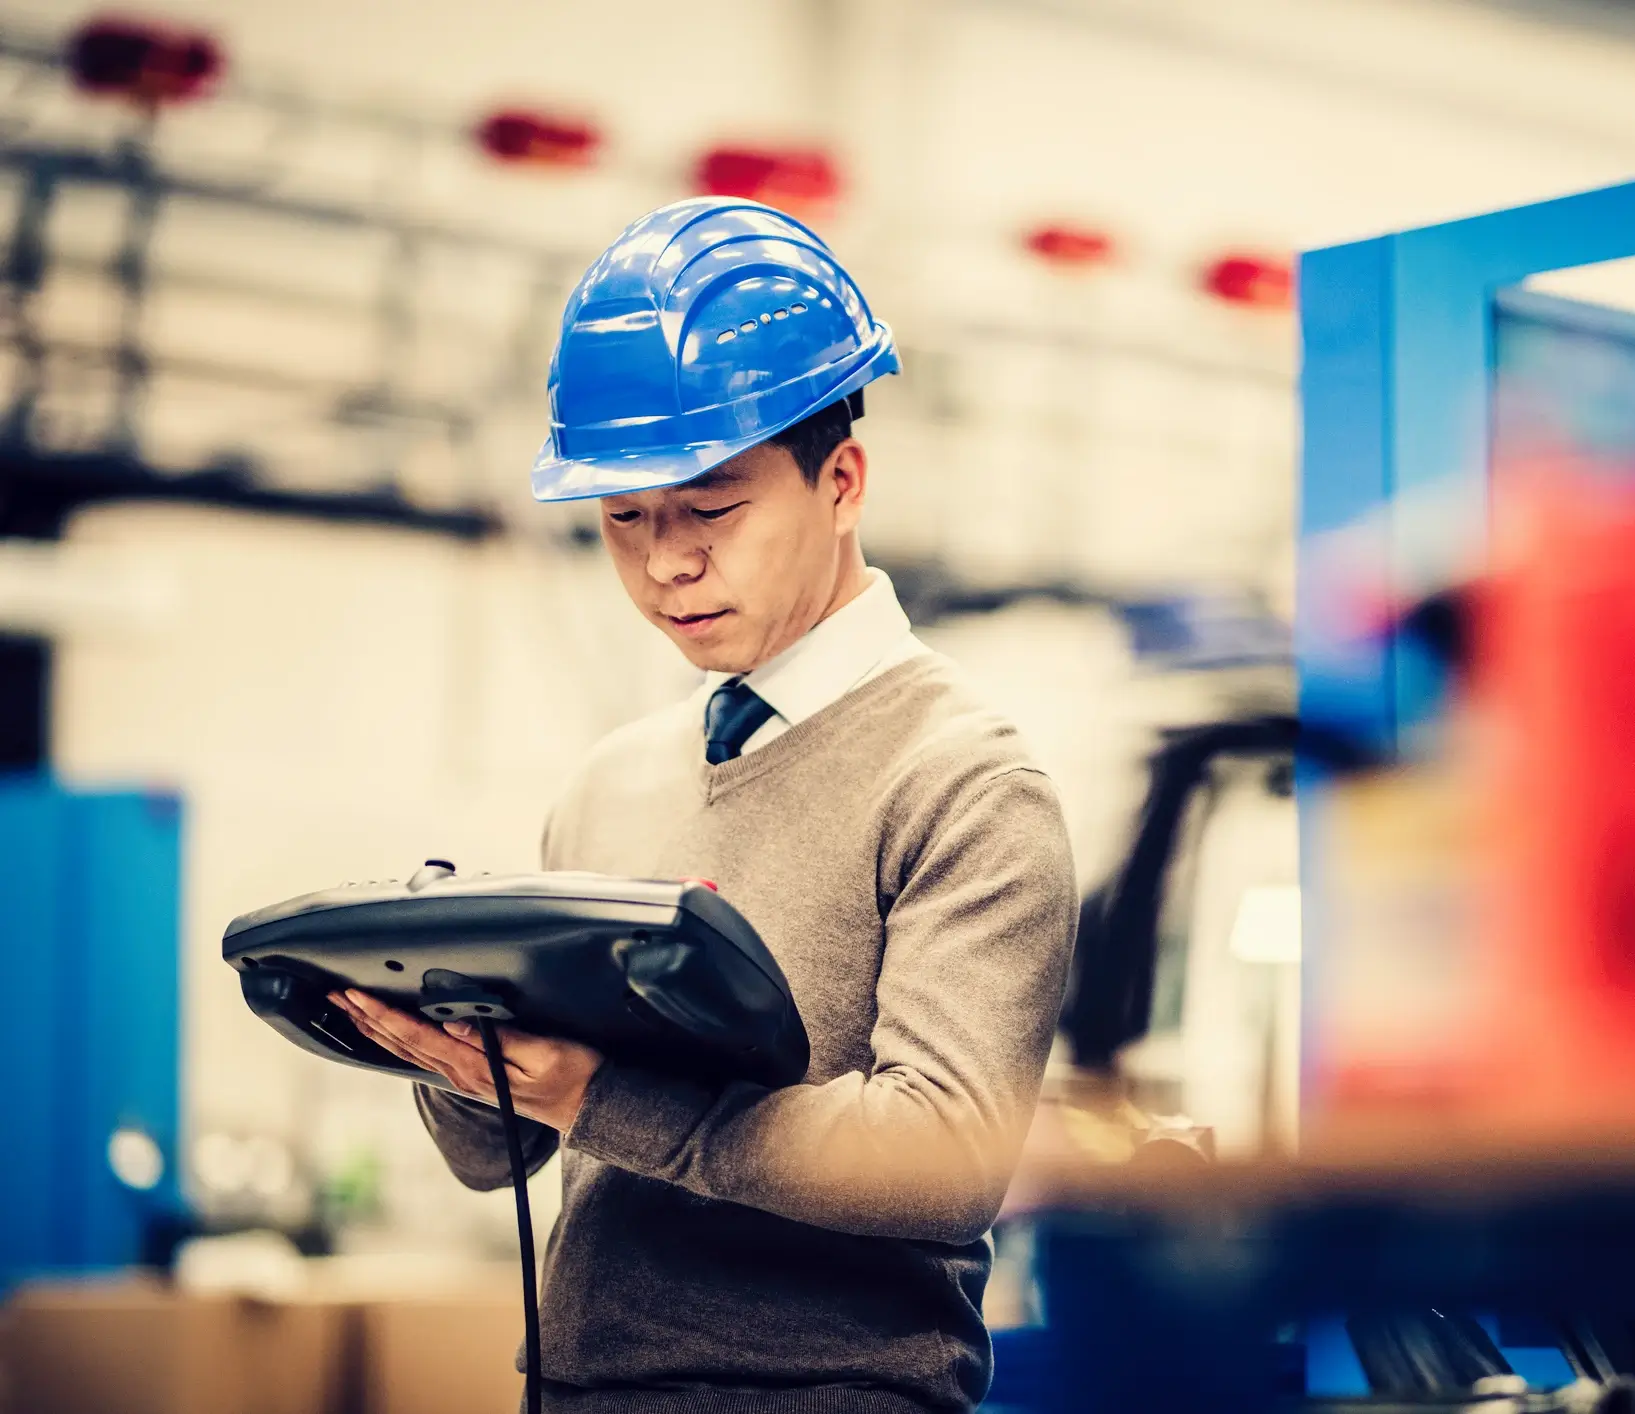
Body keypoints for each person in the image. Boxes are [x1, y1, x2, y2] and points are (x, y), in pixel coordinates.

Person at [327, 199, 1078, 1414]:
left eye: (712, 508)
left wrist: (600, 1098)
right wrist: (445, 1044)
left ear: (842, 480)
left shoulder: (965, 781)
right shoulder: (609, 783)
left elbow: (947, 1159)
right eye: (623, 518)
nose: (665, 561)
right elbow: (497, 1156)